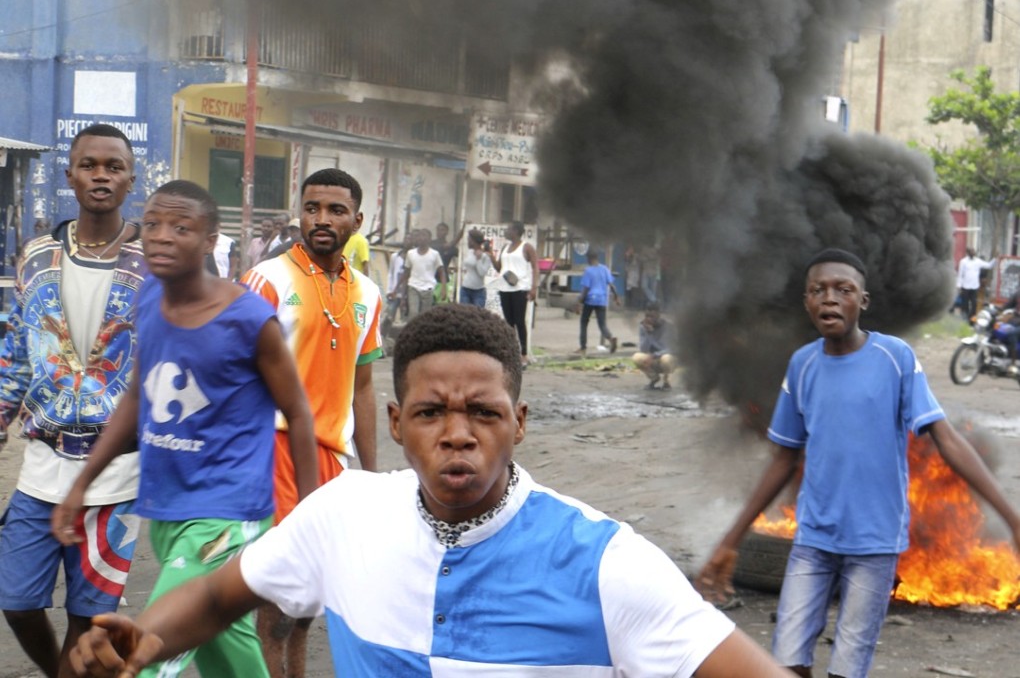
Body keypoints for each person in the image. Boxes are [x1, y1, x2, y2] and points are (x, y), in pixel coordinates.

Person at [67, 303, 794, 678]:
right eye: (430, 412)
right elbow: (221, 595)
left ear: (520, 423)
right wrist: (149, 637)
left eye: (483, 412)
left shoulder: (608, 565)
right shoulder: (344, 514)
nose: (457, 433)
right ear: (396, 422)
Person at [696, 248, 1020, 678]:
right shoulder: (803, 365)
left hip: (875, 545)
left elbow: (947, 440)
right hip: (813, 542)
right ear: (807, 301)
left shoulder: (895, 358)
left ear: (861, 301)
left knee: (848, 665)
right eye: (818, 290)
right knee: (788, 659)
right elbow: (783, 460)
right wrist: (731, 539)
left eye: (843, 289)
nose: (829, 298)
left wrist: (1012, 519)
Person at [51, 179, 318, 678]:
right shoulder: (149, 297)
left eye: (180, 227)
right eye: (152, 224)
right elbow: (137, 394)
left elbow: (299, 414)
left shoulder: (248, 319)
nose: (162, 236)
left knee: (146, 651)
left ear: (211, 240)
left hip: (226, 515)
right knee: (227, 650)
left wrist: (308, 517)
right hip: (169, 509)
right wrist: (82, 482)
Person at [0, 123, 147, 678]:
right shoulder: (37, 256)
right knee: (16, 600)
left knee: (91, 621)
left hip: (116, 473)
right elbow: (16, 351)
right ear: (71, 176)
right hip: (42, 465)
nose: (101, 175)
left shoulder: (152, 261)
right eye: (90, 165)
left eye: (113, 166)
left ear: (130, 179)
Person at [242, 168, 384, 678]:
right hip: (273, 451)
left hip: (333, 465)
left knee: (307, 608)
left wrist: (370, 476)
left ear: (358, 220)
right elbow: (234, 370)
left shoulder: (368, 292)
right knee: (278, 601)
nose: (321, 220)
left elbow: (362, 388)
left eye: (336, 210)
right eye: (312, 208)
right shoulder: (268, 280)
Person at [489, 220, 539, 366]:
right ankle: (511, 352)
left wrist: (534, 287)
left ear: (516, 231)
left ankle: (524, 354)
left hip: (520, 288)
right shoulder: (505, 247)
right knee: (509, 322)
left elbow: (536, 267)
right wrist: (491, 255)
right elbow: (499, 268)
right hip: (505, 288)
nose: (506, 231)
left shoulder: (526, 247)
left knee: (519, 321)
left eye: (508, 229)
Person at [575, 250, 620, 356]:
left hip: (590, 299)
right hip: (602, 300)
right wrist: (616, 297)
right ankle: (610, 338)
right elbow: (612, 285)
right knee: (602, 324)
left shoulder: (588, 270)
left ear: (589, 258)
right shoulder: (604, 269)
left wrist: (579, 302)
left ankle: (583, 347)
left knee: (584, 323)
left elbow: (586, 288)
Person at [400, 228, 446, 319]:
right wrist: (402, 296)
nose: (422, 238)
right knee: (413, 314)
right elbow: (406, 274)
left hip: (428, 288)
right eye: (419, 235)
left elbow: (442, 272)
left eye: (424, 235)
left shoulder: (434, 254)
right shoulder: (410, 254)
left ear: (429, 239)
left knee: (425, 316)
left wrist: (443, 289)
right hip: (413, 287)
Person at [633, 303, 677, 389]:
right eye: (647, 316)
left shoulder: (668, 326)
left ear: (658, 314)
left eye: (652, 316)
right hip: (653, 359)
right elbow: (643, 349)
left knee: (666, 358)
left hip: (667, 358)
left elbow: (673, 348)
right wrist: (648, 333)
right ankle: (654, 378)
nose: (649, 319)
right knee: (637, 357)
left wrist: (655, 355)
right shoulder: (643, 327)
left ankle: (666, 381)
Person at [956, 247, 993, 322]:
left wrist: (995, 258)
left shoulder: (978, 261)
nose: (973, 253)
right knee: (965, 305)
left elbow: (989, 265)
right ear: (968, 253)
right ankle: (964, 319)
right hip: (965, 287)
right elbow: (960, 275)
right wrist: (959, 286)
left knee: (974, 305)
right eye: (971, 252)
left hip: (974, 287)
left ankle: (972, 320)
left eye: (974, 252)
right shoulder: (963, 262)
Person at [459, 228, 492, 308]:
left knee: (477, 316)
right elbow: (466, 265)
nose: (468, 242)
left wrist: (478, 260)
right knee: (464, 314)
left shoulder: (485, 256)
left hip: (478, 291)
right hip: (465, 289)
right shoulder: (470, 252)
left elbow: (482, 273)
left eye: (469, 240)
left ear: (474, 241)